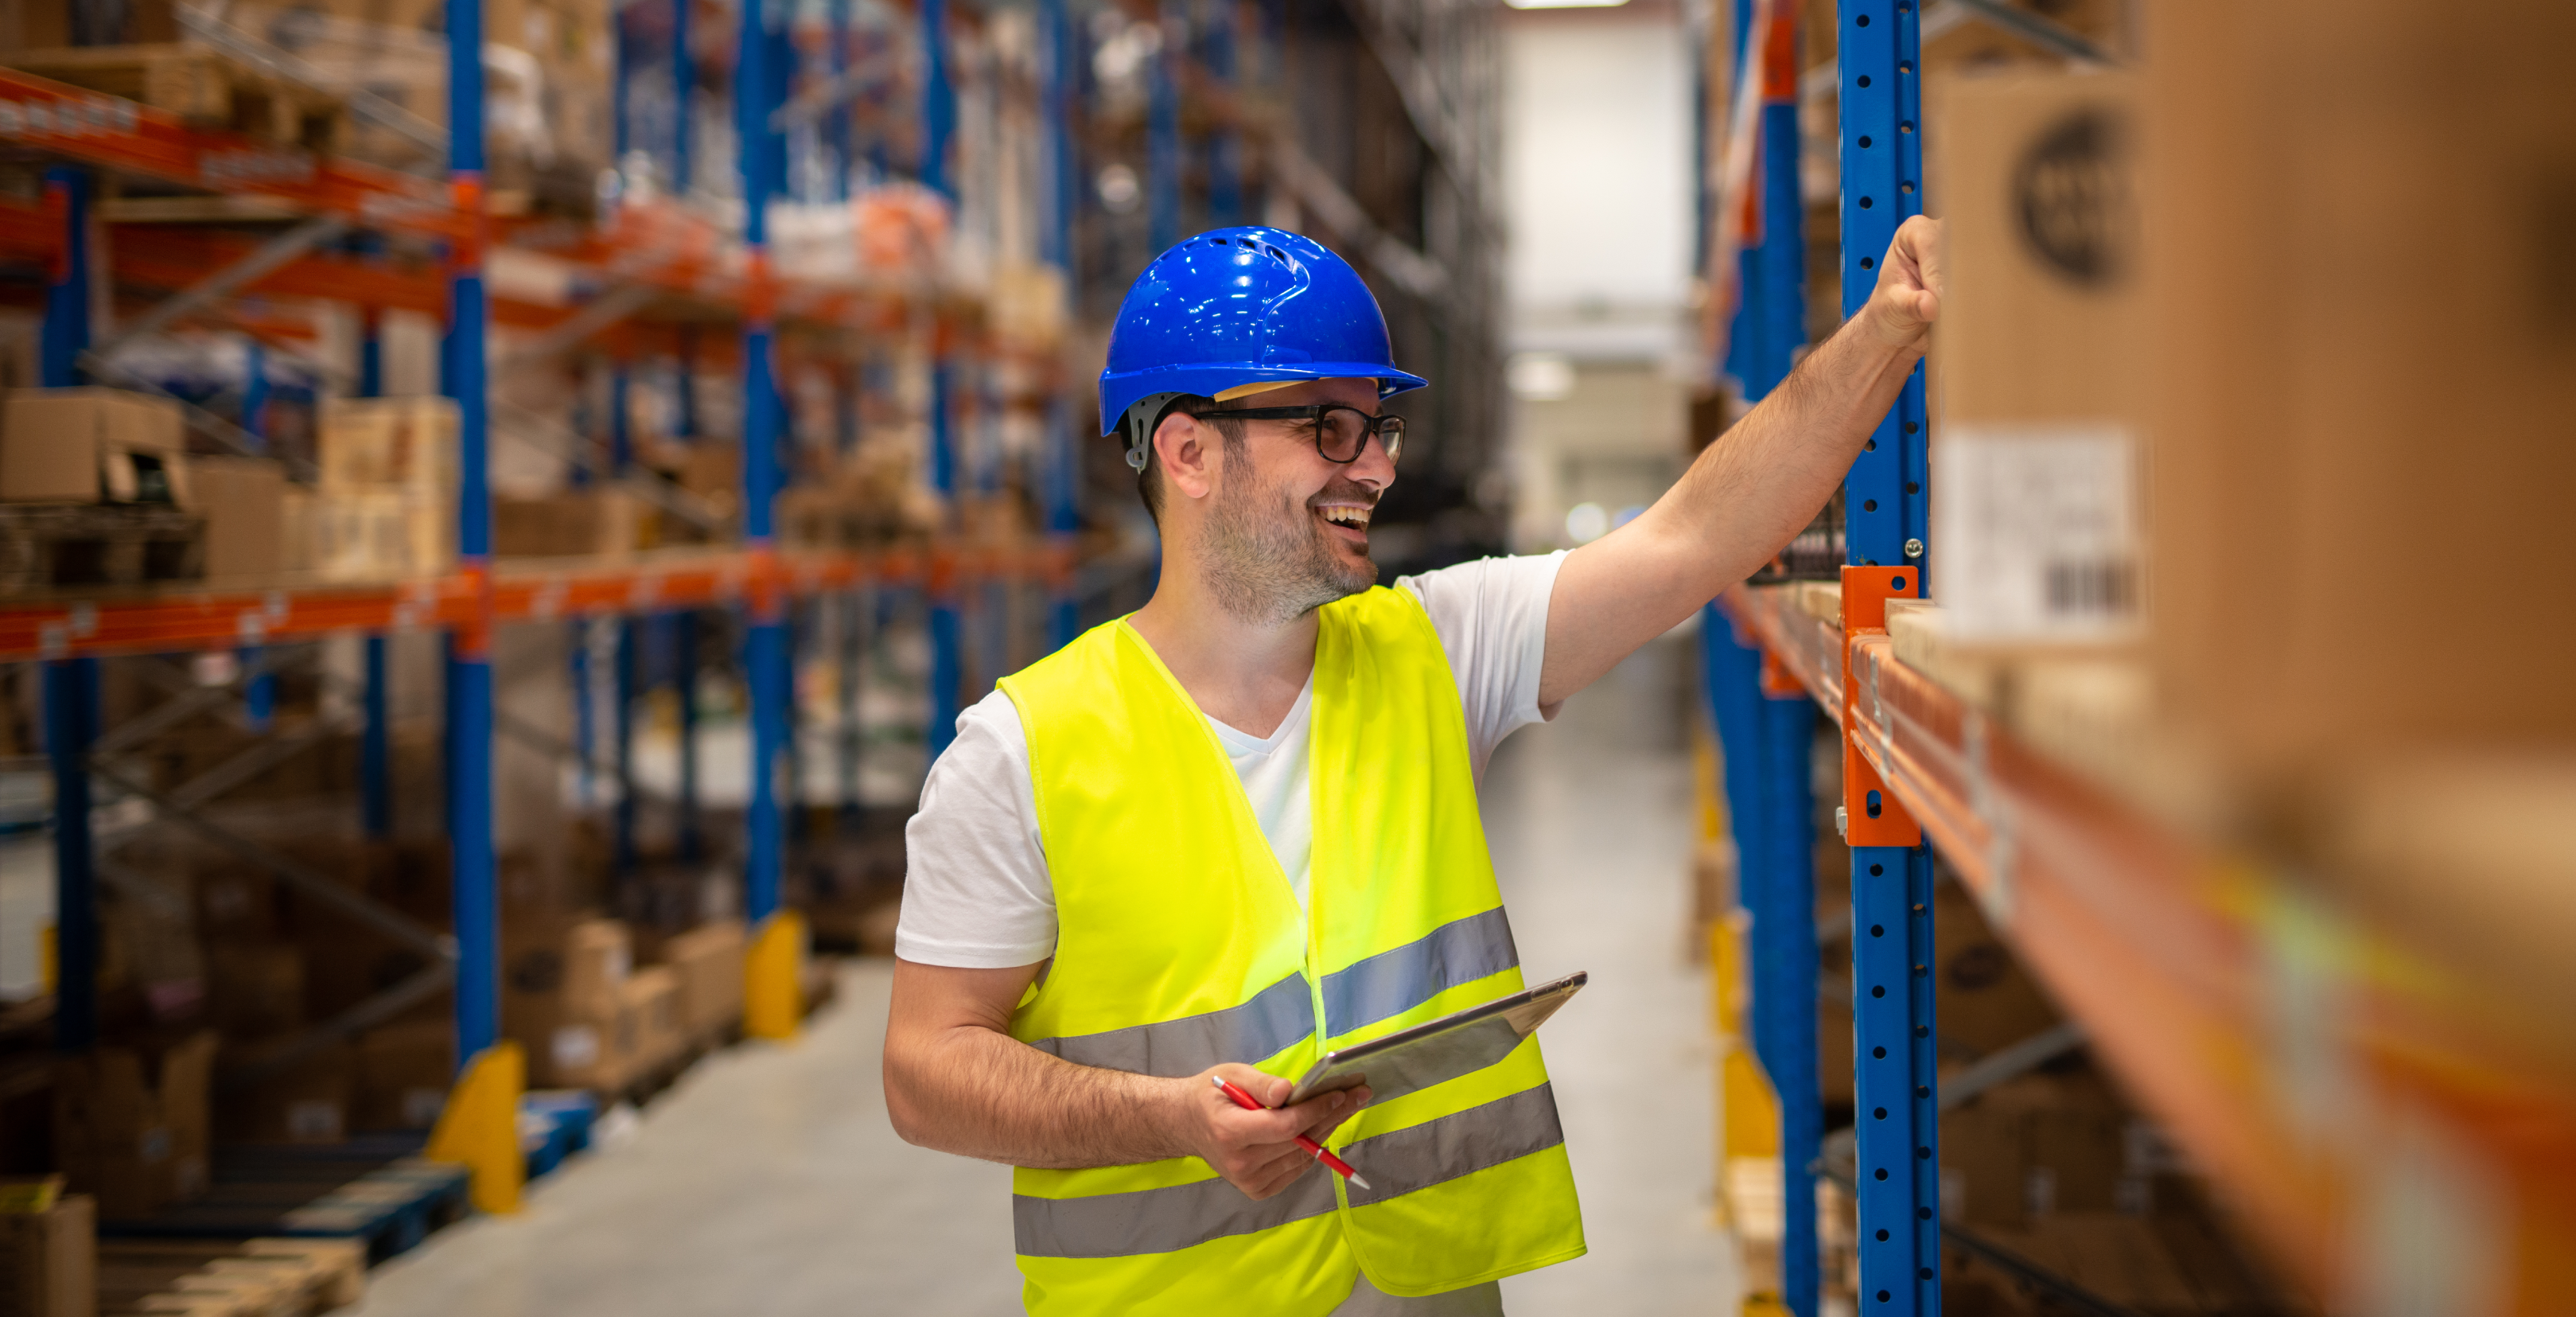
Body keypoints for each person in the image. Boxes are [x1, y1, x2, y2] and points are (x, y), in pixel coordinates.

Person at [883, 219, 1944, 1315]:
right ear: (1188, 452)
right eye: (1331, 429)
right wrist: (1168, 1118)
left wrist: (1884, 329)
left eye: (1379, 427)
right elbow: (924, 1071)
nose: (1379, 465)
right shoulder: (1020, 750)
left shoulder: (1433, 649)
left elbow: (1693, 537)